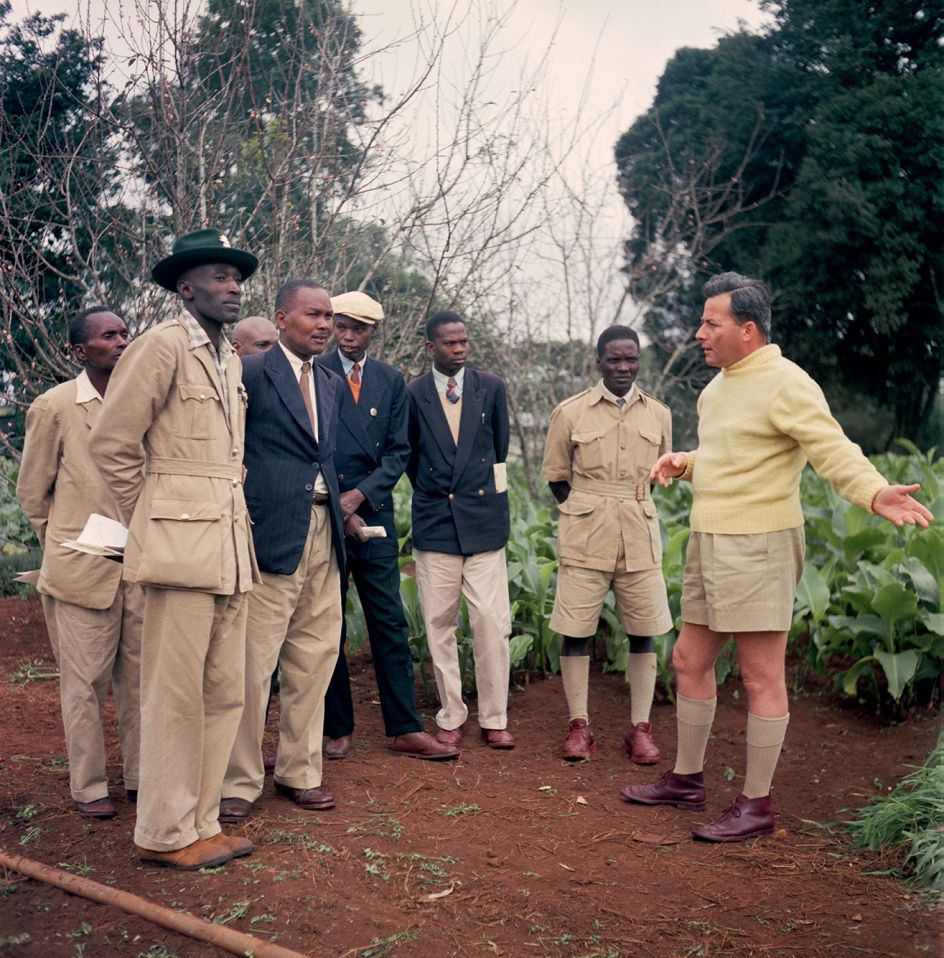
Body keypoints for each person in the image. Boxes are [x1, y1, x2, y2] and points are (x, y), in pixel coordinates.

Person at [621, 272, 934, 842]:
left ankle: (756, 805)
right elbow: (734, 454)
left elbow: (830, 446)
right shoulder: (717, 388)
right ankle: (687, 781)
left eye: (710, 324)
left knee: (759, 674)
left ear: (747, 329)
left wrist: (873, 491)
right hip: (709, 539)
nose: (699, 333)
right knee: (689, 661)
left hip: (759, 544)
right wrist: (686, 462)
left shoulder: (787, 382)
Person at [90, 228, 258, 870]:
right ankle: (163, 833)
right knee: (175, 696)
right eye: (218, 276)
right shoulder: (161, 347)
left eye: (236, 277)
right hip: (181, 548)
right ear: (185, 288)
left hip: (228, 548)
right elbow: (112, 443)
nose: (232, 286)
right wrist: (155, 520)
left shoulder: (229, 357)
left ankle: (201, 823)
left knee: (224, 693)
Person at [220, 279, 348, 822]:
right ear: (281, 318)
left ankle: (301, 771)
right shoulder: (248, 373)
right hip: (268, 536)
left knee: (315, 661)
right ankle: (239, 783)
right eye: (313, 315)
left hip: (324, 534)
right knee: (252, 668)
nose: (324, 325)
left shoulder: (332, 382)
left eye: (329, 317)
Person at [319, 292, 459, 761]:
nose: (348, 335)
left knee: (389, 622)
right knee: (328, 623)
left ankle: (404, 727)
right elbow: (310, 444)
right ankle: (337, 728)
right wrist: (339, 504)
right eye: (342, 325)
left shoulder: (389, 379)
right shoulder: (314, 372)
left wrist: (359, 498)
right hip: (323, 511)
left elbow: (400, 450)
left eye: (358, 328)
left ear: (373, 331)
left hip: (373, 513)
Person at [17, 307, 142, 820]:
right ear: (79, 351)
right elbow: (31, 492)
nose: (120, 341)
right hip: (80, 571)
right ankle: (89, 786)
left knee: (139, 681)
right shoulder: (56, 406)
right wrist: (67, 544)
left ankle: (140, 779)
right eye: (108, 335)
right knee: (84, 684)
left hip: (141, 567)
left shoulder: (144, 400)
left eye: (124, 332)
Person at [542, 326, 673, 762]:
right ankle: (579, 726)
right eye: (614, 359)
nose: (623, 367)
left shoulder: (658, 413)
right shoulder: (571, 412)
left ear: (639, 361)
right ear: (598, 361)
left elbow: (659, 478)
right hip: (585, 535)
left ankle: (640, 729)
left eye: (630, 359)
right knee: (575, 632)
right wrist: (586, 510)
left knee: (644, 632)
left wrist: (626, 508)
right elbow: (557, 477)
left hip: (638, 531)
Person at [406, 310, 515, 749]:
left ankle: (495, 716)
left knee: (491, 622)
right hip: (435, 523)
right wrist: (436, 494)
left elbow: (499, 451)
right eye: (450, 343)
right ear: (430, 347)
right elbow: (411, 457)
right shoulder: (412, 393)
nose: (459, 350)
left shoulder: (490, 388)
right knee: (439, 622)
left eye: (464, 342)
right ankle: (451, 713)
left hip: (484, 521)